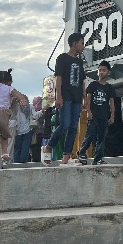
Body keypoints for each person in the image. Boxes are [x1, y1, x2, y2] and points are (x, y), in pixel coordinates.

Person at [42, 33, 86, 166]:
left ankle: (66, 156)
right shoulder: (62, 58)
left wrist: (85, 99)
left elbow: (82, 81)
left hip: (77, 97)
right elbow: (58, 78)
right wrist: (58, 97)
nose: (83, 46)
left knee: (73, 127)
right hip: (65, 96)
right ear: (74, 44)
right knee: (64, 124)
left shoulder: (79, 61)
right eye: (81, 43)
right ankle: (49, 146)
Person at [77, 60, 116, 165]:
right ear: (97, 72)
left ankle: (98, 159)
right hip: (94, 115)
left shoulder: (110, 88)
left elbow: (111, 102)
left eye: (104, 70)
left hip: (104, 116)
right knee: (90, 135)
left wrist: (112, 116)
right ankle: (81, 153)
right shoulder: (93, 85)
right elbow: (88, 99)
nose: (101, 72)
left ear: (108, 73)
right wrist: (88, 111)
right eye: (100, 70)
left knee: (101, 139)